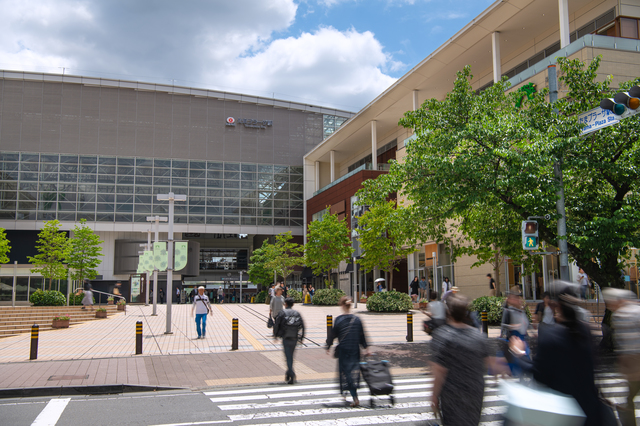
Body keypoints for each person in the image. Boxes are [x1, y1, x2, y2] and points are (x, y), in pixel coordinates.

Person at [508, 287, 608, 426]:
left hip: (563, 414)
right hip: (590, 412)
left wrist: (520, 353)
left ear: (556, 306)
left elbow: (539, 375)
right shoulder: (586, 331)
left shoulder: (551, 335)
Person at [430, 294, 494, 425]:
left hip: (452, 394)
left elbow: (439, 371)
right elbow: (490, 363)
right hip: (475, 392)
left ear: (449, 312)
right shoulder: (478, 336)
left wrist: (434, 396)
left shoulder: (443, 335)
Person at [603, 288, 640, 426]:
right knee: (630, 396)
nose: (610, 306)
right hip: (634, 361)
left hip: (634, 361)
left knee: (629, 397)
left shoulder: (620, 315)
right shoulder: (636, 310)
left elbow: (625, 343)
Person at [326, 296, 369, 407]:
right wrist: (366, 348)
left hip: (344, 350)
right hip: (355, 349)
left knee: (347, 373)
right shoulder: (357, 319)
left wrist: (328, 346)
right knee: (353, 372)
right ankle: (347, 392)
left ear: (343, 306)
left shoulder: (339, 320)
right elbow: (362, 336)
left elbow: (333, 335)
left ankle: (354, 397)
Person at [274, 297, 305, 384]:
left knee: (288, 357)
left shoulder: (282, 313)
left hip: (286, 337)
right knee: (290, 356)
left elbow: (277, 324)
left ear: (286, 304)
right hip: (294, 337)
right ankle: (288, 373)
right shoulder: (297, 313)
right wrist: (301, 337)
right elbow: (302, 325)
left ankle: (292, 374)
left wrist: (275, 335)